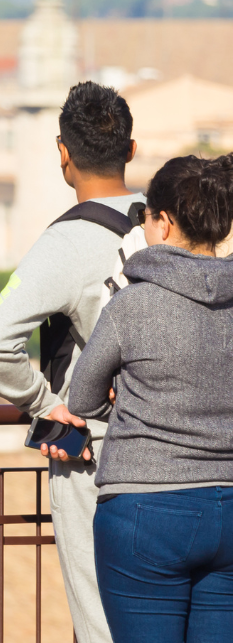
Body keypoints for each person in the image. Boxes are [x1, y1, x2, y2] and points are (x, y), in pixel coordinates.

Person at [0, 81, 140, 643]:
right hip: (191, 454)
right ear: (132, 150)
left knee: (101, 618)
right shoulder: (165, 222)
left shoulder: (68, 241)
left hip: (94, 452)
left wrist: (47, 407)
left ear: (62, 154)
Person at [68, 154, 233, 642]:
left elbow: (81, 398)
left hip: (145, 511)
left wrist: (128, 403)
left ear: (163, 222)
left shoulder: (132, 305)